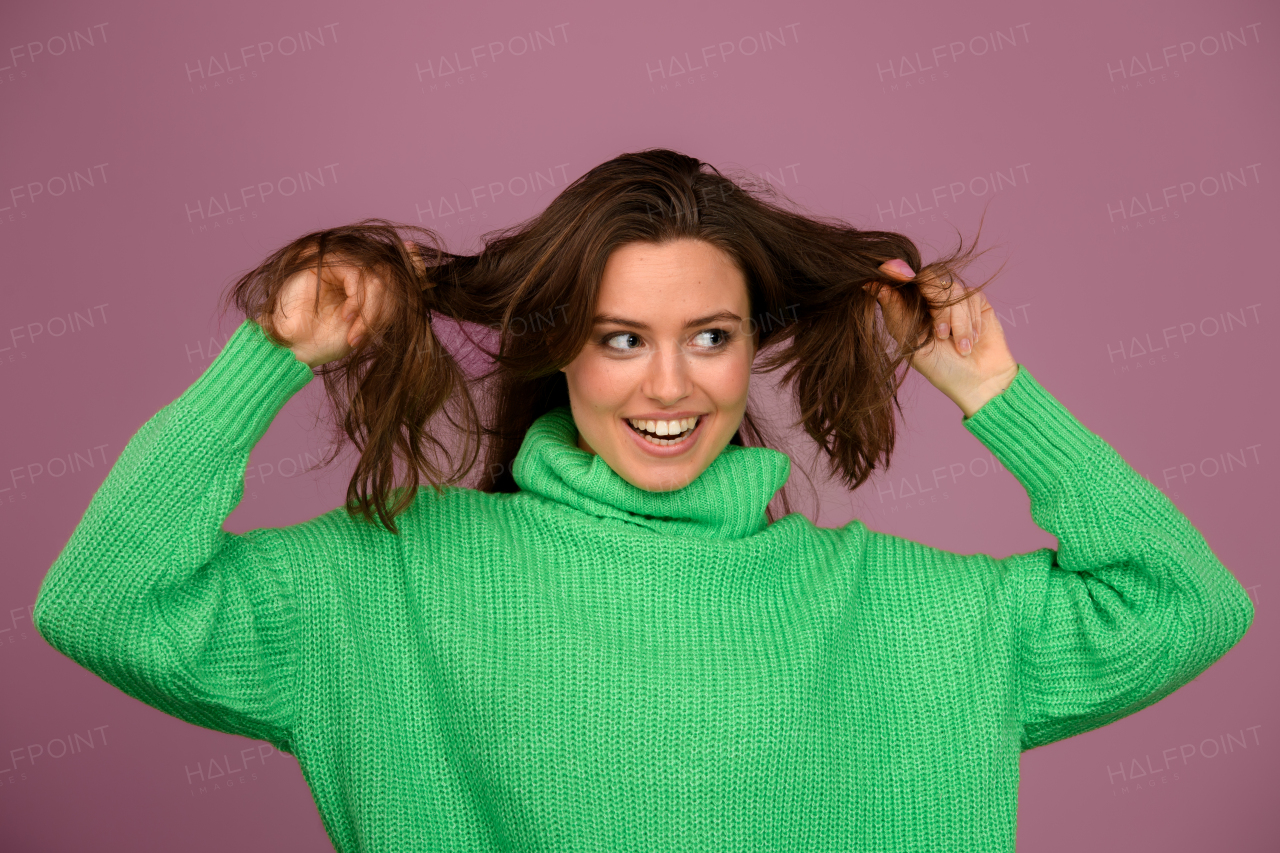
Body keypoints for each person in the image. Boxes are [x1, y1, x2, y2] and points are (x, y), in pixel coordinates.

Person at [33, 149, 1253, 852]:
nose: (667, 384)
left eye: (707, 335)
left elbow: (1182, 603)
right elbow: (105, 603)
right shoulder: (388, 582)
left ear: (750, 349)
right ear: (555, 346)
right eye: (619, 337)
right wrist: (274, 353)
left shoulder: (901, 609)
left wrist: (990, 387)